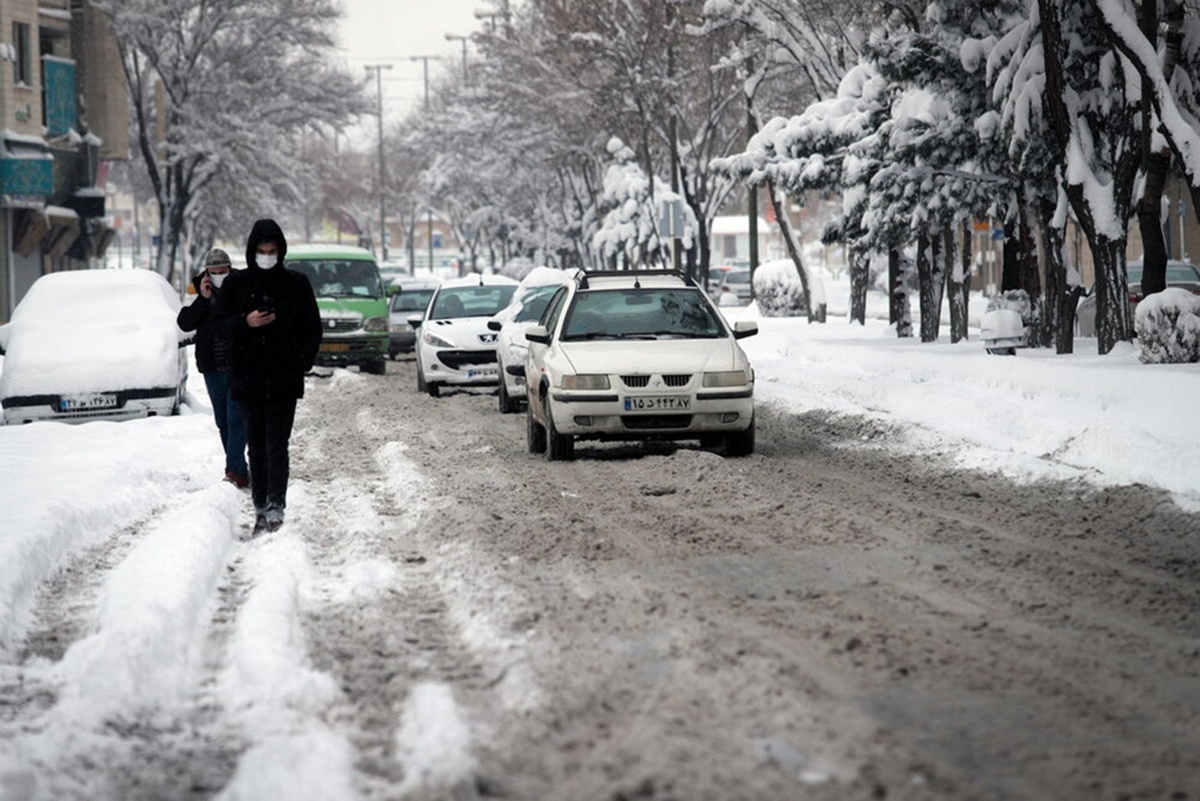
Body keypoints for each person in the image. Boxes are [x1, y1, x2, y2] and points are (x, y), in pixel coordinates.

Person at [214, 219, 322, 534]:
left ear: (280, 251)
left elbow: (312, 327)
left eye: (272, 251)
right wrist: (246, 322)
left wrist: (302, 360)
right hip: (248, 377)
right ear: (251, 251)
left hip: (283, 377)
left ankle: (276, 505)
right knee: (256, 445)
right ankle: (260, 506)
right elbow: (219, 326)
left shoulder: (296, 284)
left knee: (278, 443)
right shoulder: (237, 285)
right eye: (261, 251)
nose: (266, 256)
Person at [177, 248, 249, 488]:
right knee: (223, 421)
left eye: (223, 271)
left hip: (239, 363)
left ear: (230, 269)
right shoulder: (197, 289)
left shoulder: (242, 285)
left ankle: (232, 471)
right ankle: (239, 467)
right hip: (212, 366)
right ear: (207, 273)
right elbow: (185, 322)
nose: (219, 275)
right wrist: (203, 298)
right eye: (214, 272)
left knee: (236, 417)